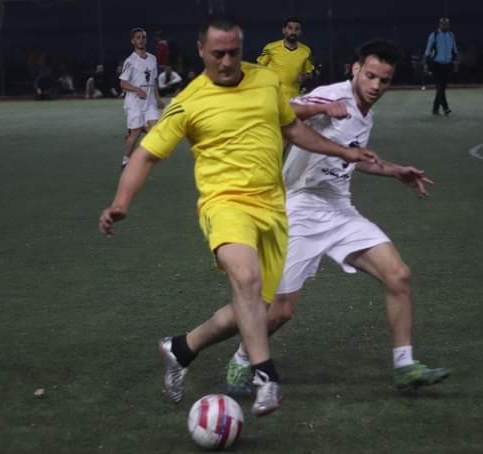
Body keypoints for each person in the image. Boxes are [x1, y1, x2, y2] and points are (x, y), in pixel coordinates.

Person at [98, 15, 381, 417]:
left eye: (234, 52)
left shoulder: (265, 81)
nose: (227, 61)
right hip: (224, 204)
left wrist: (345, 152)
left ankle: (181, 348)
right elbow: (146, 154)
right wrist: (121, 201)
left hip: (273, 208)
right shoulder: (190, 102)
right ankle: (265, 375)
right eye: (218, 54)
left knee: (253, 309)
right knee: (246, 279)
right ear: (201, 51)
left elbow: (292, 129)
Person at [224, 40, 450, 397]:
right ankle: (241, 357)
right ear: (356, 69)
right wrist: (322, 107)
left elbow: (352, 158)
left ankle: (405, 367)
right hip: (298, 207)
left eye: (384, 80)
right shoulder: (334, 95)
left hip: (339, 209)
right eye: (370, 76)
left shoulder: (365, 113)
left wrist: (394, 171)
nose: (376, 86)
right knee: (282, 310)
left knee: (398, 275)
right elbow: (282, 110)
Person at [119, 27, 165, 169]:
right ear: (133, 41)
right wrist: (137, 89)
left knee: (155, 132)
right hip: (134, 103)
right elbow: (123, 83)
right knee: (136, 134)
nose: (141, 40)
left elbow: (153, 80)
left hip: (150, 102)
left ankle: (141, 130)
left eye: (143, 37)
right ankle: (126, 160)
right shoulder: (130, 61)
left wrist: (158, 99)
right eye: (138, 38)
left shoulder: (152, 58)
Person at [257, 17, 315, 99]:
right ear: (284, 30)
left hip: (294, 97)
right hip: (273, 96)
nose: (293, 32)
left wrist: (305, 76)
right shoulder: (270, 48)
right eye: (290, 28)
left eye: (297, 29)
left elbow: (310, 73)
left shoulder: (306, 51)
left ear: (300, 32)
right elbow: (259, 68)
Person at [425, 17, 457, 115]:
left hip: (448, 65)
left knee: (442, 88)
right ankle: (446, 108)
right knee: (440, 87)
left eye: (447, 24)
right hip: (436, 64)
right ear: (440, 24)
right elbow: (428, 50)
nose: (445, 26)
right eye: (443, 24)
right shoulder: (434, 35)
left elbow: (454, 49)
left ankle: (435, 109)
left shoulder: (451, 35)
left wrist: (455, 61)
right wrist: (427, 64)